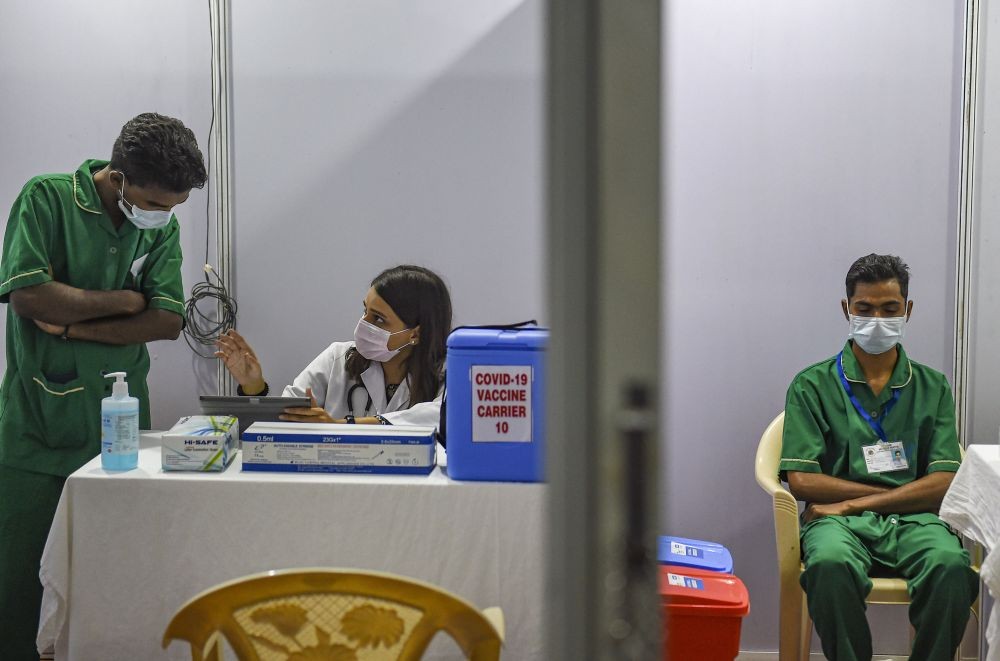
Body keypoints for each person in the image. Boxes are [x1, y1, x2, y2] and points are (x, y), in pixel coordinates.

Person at [0, 112, 207, 659]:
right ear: (119, 178)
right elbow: (27, 296)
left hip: (118, 436)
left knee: (110, 582)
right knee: (18, 590)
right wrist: (124, 300)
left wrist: (71, 322)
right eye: (157, 203)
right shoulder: (46, 200)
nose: (163, 217)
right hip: (34, 431)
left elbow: (166, 320)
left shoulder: (158, 226)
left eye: (174, 208)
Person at [780, 253, 978, 661]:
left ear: (908, 310)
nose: (876, 319)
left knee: (950, 567)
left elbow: (944, 483)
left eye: (889, 309)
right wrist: (899, 492)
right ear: (845, 309)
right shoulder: (811, 385)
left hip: (910, 521)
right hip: (838, 526)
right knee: (830, 565)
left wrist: (853, 501)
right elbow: (802, 482)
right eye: (864, 308)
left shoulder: (932, 386)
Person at [215, 264, 451, 427]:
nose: (363, 324)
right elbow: (284, 421)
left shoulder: (449, 370)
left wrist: (341, 427)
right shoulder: (338, 358)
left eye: (378, 318)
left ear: (416, 333)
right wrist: (254, 386)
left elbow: (443, 418)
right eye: (365, 311)